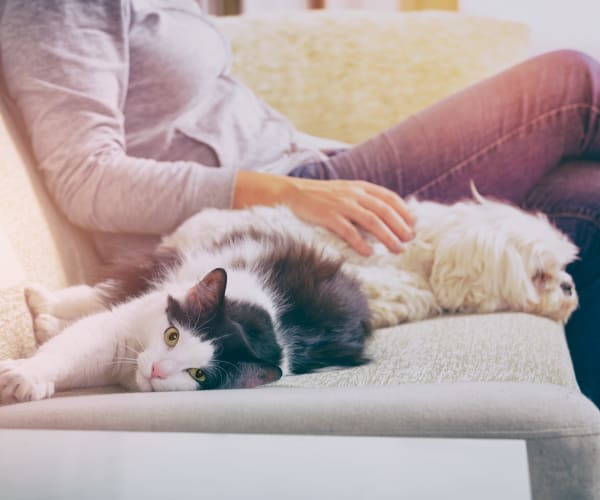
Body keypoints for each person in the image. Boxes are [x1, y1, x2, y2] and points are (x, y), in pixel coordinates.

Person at [1, 1, 598, 407]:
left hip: (308, 172)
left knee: (586, 195)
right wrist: (284, 189)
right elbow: (87, 178)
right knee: (572, 88)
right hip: (291, 197)